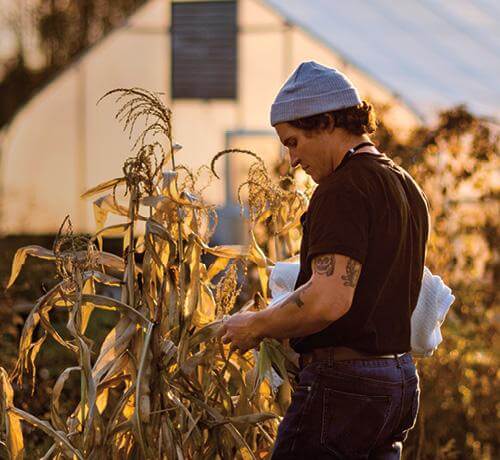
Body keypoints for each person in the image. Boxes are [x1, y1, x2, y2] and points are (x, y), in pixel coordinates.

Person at [219, 61, 429, 459]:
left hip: (345, 387)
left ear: (328, 121)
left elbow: (329, 299)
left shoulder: (343, 188)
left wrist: (255, 325)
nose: (292, 160)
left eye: (293, 142)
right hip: (397, 382)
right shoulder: (406, 186)